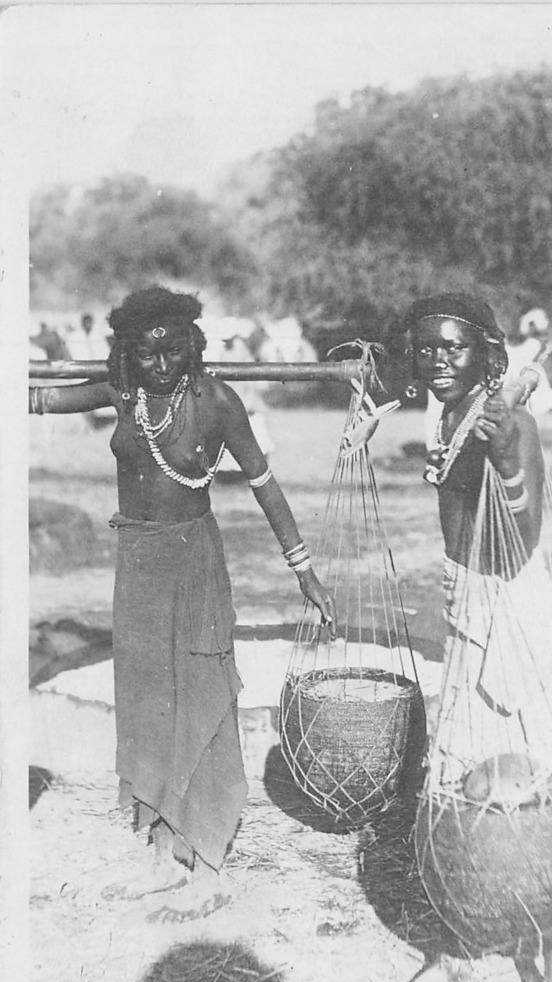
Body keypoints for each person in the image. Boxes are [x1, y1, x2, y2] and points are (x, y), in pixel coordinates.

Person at [30, 286, 336, 922]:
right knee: (145, 700)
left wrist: (302, 567)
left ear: (193, 346)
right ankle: (165, 853)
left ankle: (210, 870)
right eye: (147, 354)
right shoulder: (121, 391)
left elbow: (265, 483)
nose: (162, 364)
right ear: (128, 355)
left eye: (173, 350)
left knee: (199, 697)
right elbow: (41, 398)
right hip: (135, 562)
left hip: (192, 562)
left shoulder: (217, 402)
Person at [394, 292, 552, 982]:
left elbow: (521, 533)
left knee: (528, 796)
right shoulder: (448, 417)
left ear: (486, 356)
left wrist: (503, 459)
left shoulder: (513, 422)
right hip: (469, 607)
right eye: (427, 348)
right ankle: (455, 946)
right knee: (451, 784)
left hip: (513, 611)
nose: (438, 361)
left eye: (454, 349)